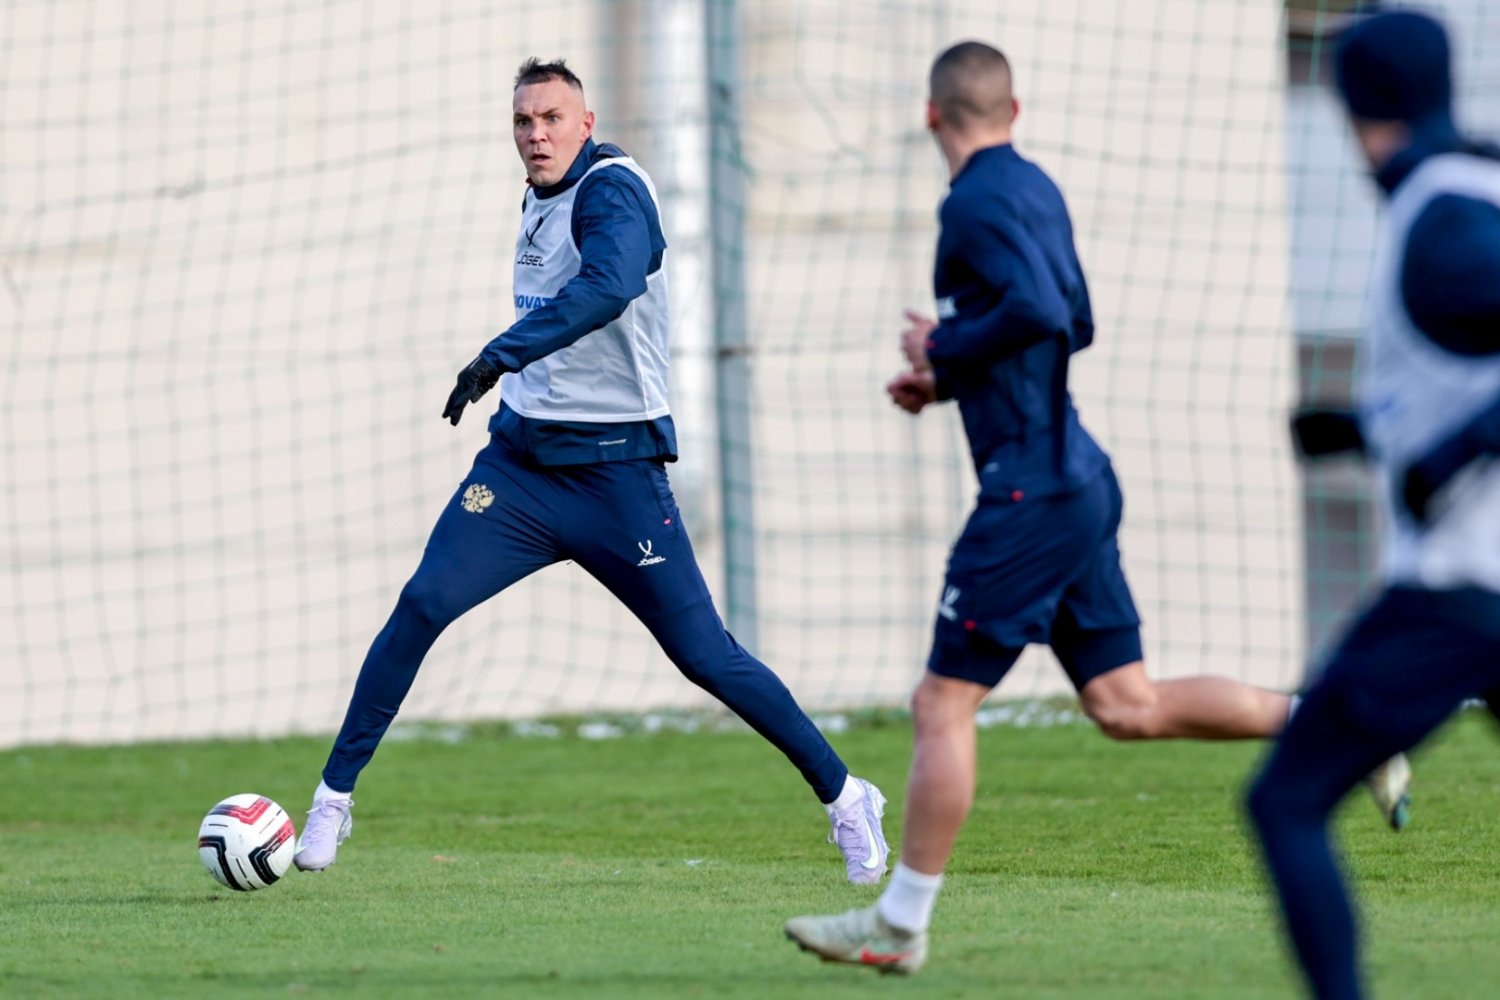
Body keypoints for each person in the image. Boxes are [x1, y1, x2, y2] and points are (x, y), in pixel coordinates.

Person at [783, 40, 1410, 974]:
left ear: (931, 116)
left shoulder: (972, 202)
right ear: (1014, 111)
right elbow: (1074, 320)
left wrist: (943, 349)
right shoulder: (1035, 187)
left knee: (940, 702)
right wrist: (948, 379)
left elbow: (1039, 311)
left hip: (1031, 492)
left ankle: (899, 923)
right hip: (1075, 475)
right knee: (1126, 703)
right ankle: (1342, 725)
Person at [290, 58, 889, 885]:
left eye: (552, 119)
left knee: (706, 656)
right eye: (523, 121)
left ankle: (848, 797)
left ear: (587, 122)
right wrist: (512, 374)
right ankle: (332, 799)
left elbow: (609, 285)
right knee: (423, 602)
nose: (536, 135)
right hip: (521, 475)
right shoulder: (538, 195)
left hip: (617, 479)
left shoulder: (614, 192)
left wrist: (500, 354)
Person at [1248, 10, 1500, 999]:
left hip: (1461, 590)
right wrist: (1361, 430)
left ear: (1354, 107)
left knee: (1286, 801)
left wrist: (1451, 454)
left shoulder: (1441, 218)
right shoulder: (1470, 184)